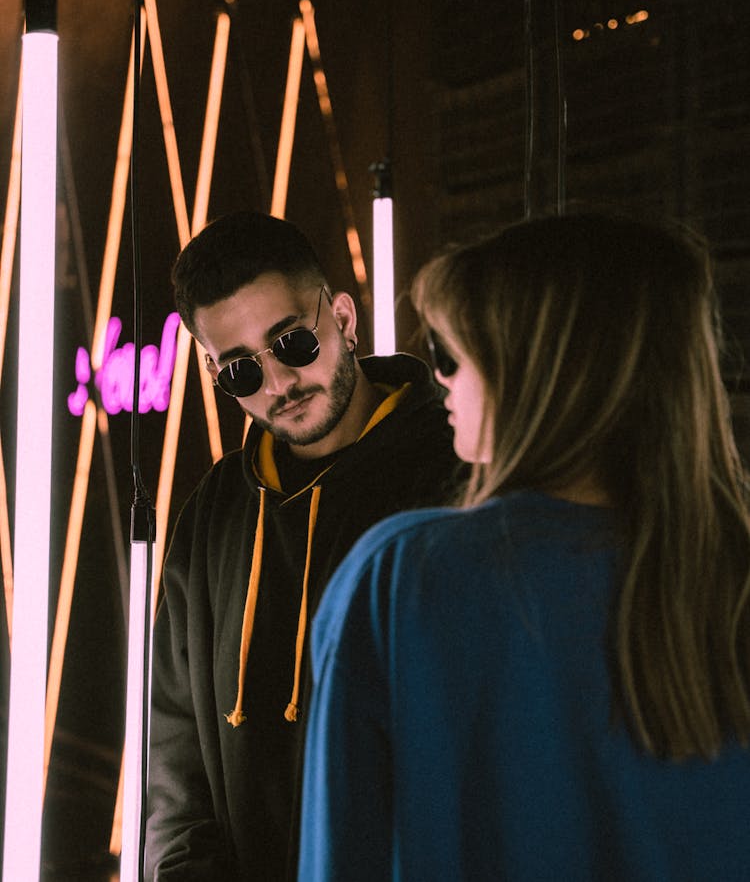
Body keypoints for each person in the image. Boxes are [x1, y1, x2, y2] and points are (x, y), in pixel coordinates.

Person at [298, 210, 750, 882]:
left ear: (540, 370)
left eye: (454, 355)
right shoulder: (729, 577)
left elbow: (342, 858)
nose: (441, 378)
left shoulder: (400, 578)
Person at [144, 210, 460, 881]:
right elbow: (173, 754)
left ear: (342, 317)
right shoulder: (214, 515)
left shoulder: (452, 480)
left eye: (291, 342)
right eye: (239, 372)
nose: (278, 384)